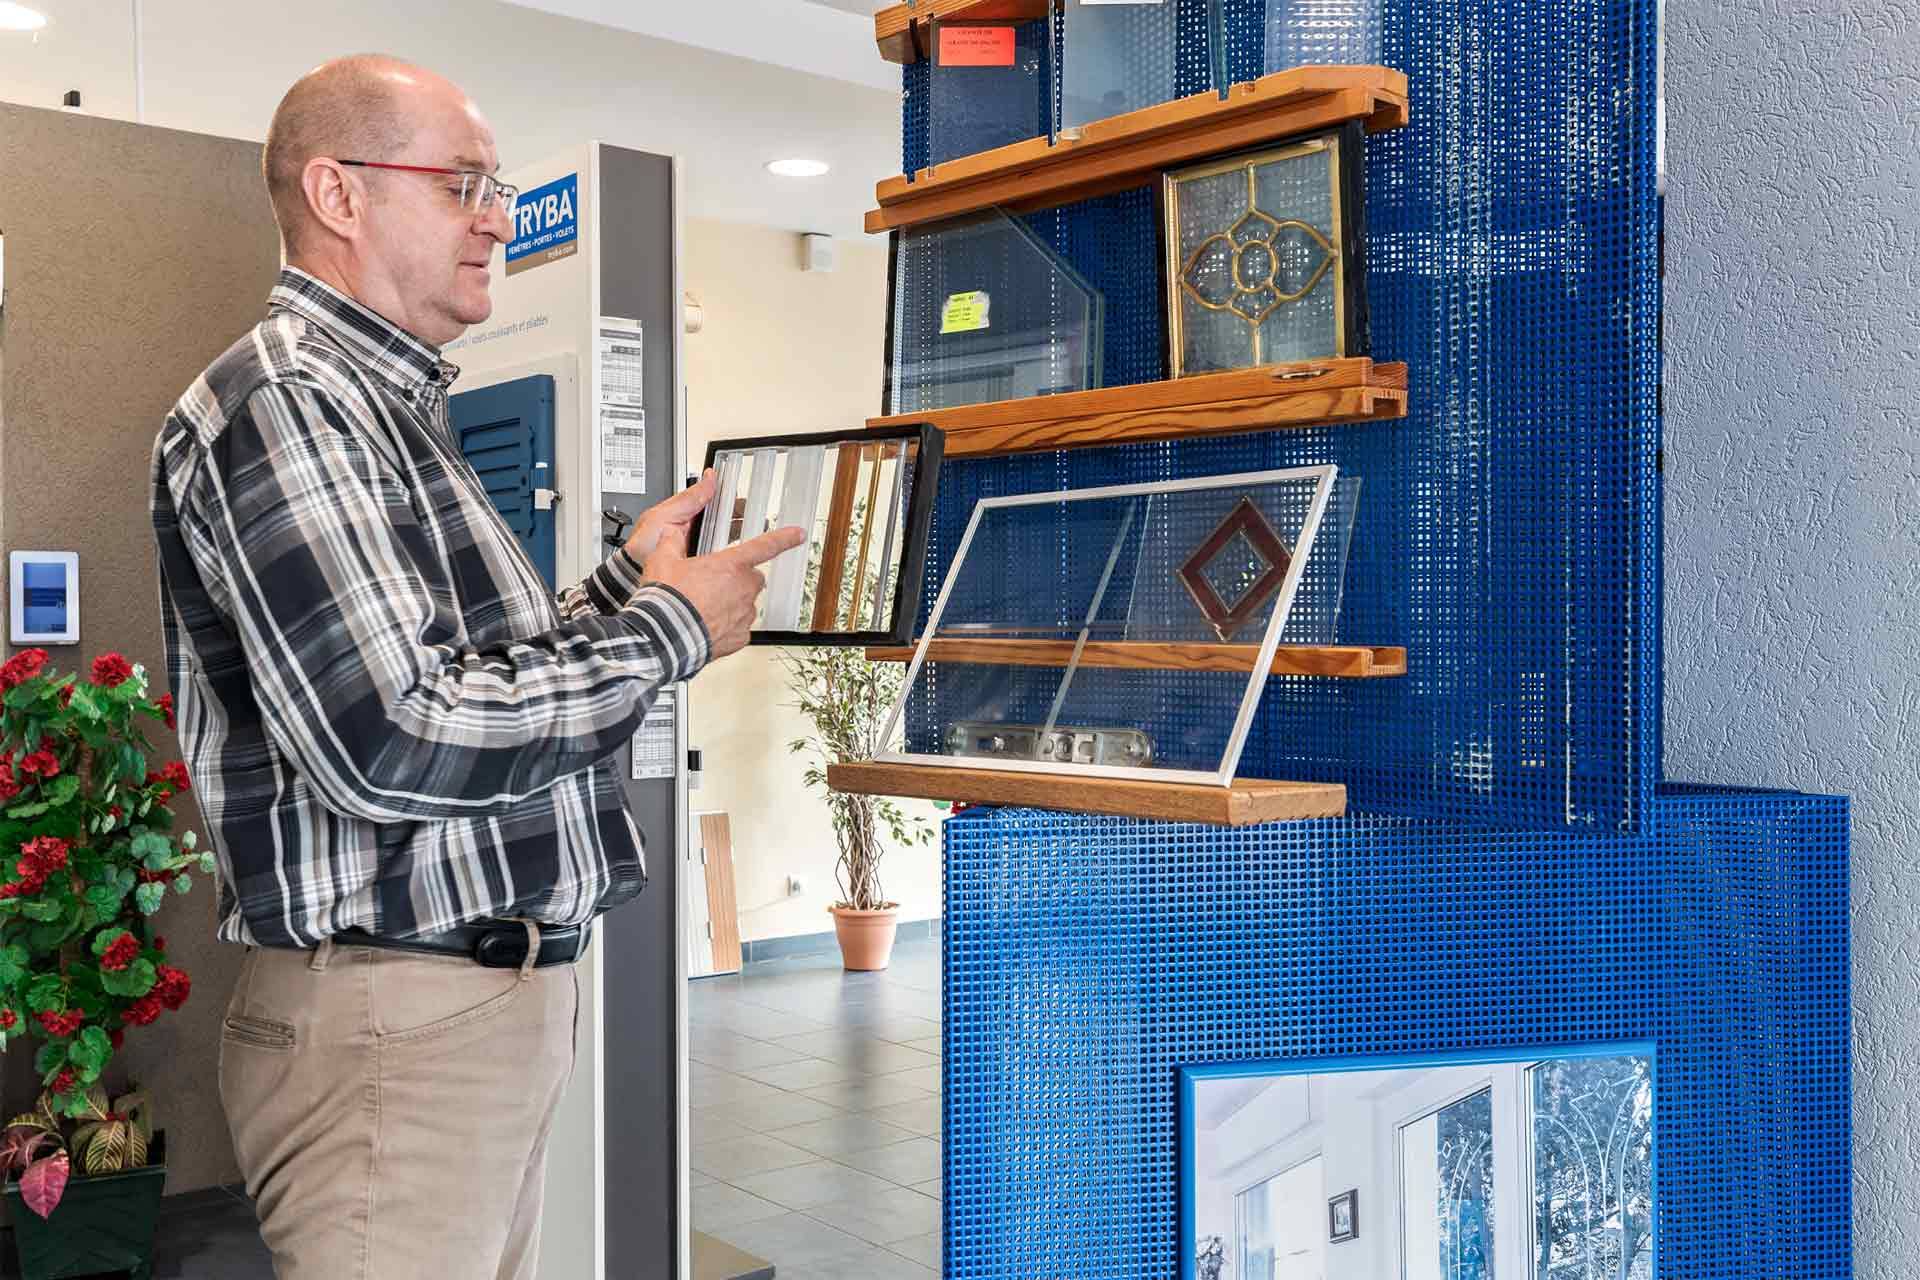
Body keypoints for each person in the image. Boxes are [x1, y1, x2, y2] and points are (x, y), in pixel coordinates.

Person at [148, 54, 801, 1279]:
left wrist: (628, 586)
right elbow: (394, 732)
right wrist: (668, 630)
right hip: (399, 1023)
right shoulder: (291, 400)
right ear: (338, 194)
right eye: (463, 184)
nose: (497, 217)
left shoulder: (384, 405)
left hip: (452, 1018)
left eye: (494, 187)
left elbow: (464, 668)